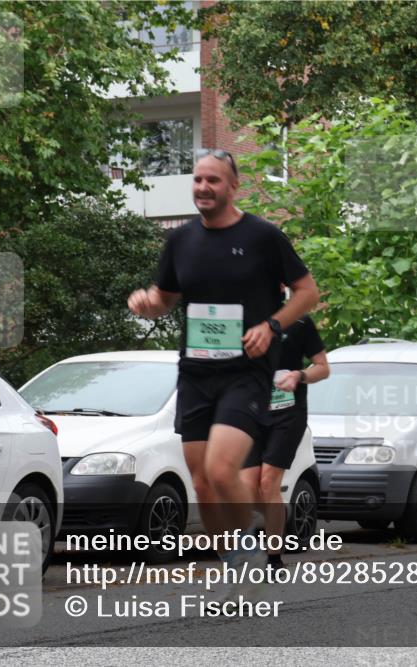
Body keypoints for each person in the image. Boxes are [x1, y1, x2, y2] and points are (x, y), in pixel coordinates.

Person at [128, 148, 319, 574]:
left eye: (213, 180)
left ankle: (250, 527)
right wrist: (146, 303)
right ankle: (238, 567)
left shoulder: (263, 237)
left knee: (219, 469)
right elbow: (164, 298)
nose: (203, 187)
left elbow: (308, 293)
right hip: (195, 373)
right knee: (202, 485)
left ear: (233, 186)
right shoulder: (180, 240)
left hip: (246, 375)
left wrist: (271, 324)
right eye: (198, 179)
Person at [240, 313, 329, 575]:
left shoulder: (300, 322)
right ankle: (273, 519)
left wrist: (299, 375)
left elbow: (323, 367)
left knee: (268, 482)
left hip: (287, 414)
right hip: (250, 412)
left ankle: (273, 558)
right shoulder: (241, 317)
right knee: (247, 487)